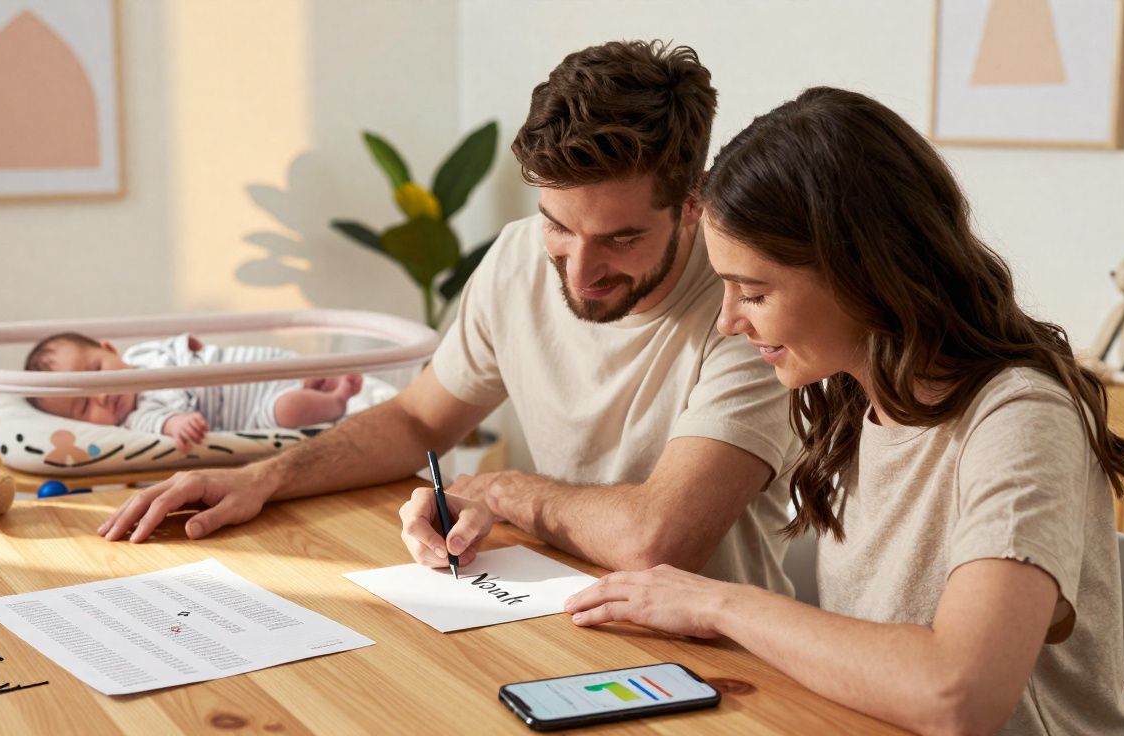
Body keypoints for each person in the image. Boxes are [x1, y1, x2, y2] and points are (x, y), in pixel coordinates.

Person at [99, 40, 798, 596]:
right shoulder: (519, 257)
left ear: (692, 204)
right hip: (552, 611)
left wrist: (502, 489)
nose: (580, 273)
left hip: (720, 666)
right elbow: (416, 422)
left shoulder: (750, 310)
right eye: (559, 225)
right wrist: (264, 478)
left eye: (620, 239)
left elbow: (657, 541)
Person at [564, 87, 1124, 735]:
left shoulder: (1020, 418)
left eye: (752, 292)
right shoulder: (855, 399)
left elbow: (959, 696)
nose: (729, 321)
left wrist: (719, 604)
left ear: (859, 271)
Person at [24, 332, 363, 453]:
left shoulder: (142, 355)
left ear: (109, 349)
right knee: (289, 409)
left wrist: (186, 344)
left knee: (290, 365)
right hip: (256, 407)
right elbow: (164, 424)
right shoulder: (136, 419)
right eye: (84, 407)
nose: (102, 395)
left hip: (253, 366)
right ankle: (334, 401)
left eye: (97, 371)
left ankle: (315, 378)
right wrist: (179, 425)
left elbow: (171, 346)